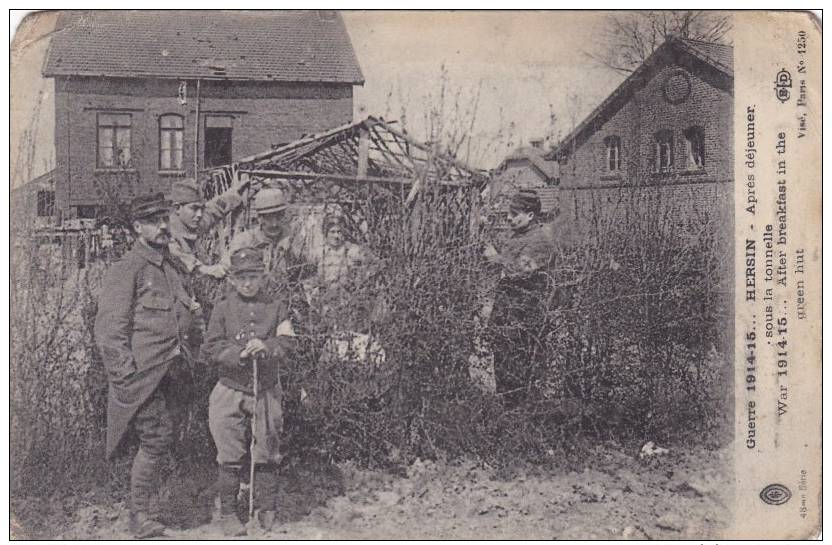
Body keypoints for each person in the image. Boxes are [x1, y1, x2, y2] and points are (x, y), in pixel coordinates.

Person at [94, 192, 201, 538]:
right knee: (156, 438)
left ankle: (155, 507)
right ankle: (140, 517)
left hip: (173, 370)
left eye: (165, 218)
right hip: (143, 376)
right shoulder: (128, 269)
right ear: (137, 227)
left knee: (167, 439)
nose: (163, 226)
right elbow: (110, 330)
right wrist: (125, 376)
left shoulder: (170, 266)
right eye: (154, 221)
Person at [201, 247, 295, 535]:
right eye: (241, 277)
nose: (247, 283)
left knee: (266, 450)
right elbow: (210, 348)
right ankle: (228, 513)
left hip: (265, 390)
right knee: (228, 452)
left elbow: (289, 342)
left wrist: (267, 347)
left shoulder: (277, 306)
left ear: (262, 276)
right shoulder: (222, 308)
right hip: (229, 390)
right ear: (231, 279)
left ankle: (266, 508)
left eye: (253, 276)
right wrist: (238, 353)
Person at [483, 189, 556, 407]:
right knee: (503, 362)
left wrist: (496, 259)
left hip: (523, 314)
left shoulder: (541, 240)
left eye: (514, 214)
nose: (508, 218)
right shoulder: (518, 236)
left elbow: (522, 270)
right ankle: (508, 410)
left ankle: (520, 416)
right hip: (507, 310)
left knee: (520, 366)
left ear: (530, 215)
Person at [168, 176, 248, 279]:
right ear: (177, 208)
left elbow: (215, 208)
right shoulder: (167, 237)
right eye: (194, 208)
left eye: (201, 208)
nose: (199, 214)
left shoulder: (189, 222)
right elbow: (196, 268)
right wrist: (217, 269)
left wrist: (237, 194)